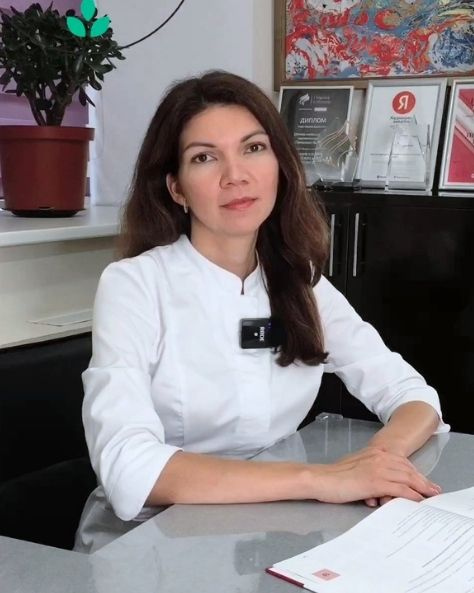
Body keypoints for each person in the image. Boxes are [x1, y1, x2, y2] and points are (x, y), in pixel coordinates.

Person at [76, 70, 449, 549]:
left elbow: (412, 395)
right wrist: (323, 480)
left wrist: (378, 461)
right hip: (147, 541)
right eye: (204, 157)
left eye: (253, 148)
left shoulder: (300, 282)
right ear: (176, 188)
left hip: (271, 524)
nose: (236, 175)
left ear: (280, 164)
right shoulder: (134, 285)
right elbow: (129, 468)